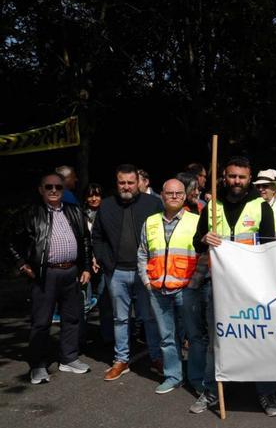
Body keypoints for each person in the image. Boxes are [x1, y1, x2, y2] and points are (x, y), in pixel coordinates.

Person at [190, 156, 275, 415]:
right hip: (219, 285)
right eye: (232, 176)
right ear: (224, 177)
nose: (236, 181)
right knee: (217, 341)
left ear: (250, 179)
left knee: (260, 339)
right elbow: (197, 242)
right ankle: (212, 392)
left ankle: (266, 393)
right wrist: (205, 238)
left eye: (241, 177)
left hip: (251, 288)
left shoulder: (261, 206)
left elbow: (272, 248)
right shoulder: (212, 204)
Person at [5, 172, 93, 384]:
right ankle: (38, 365)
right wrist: (22, 265)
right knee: (41, 322)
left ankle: (69, 358)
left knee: (72, 318)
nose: (54, 191)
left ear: (64, 190)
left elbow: (85, 241)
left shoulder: (74, 211)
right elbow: (9, 241)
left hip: (71, 272)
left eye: (58, 187)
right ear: (41, 190)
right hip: (44, 275)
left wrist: (87, 267)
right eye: (49, 187)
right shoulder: (31, 214)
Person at [91, 164, 163, 381]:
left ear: (138, 183)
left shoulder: (153, 204)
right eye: (122, 182)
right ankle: (121, 360)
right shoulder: (106, 206)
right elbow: (97, 237)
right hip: (117, 272)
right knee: (120, 319)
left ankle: (156, 356)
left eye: (130, 182)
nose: (126, 186)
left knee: (149, 317)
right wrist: (104, 260)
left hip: (145, 272)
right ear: (117, 183)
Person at [137, 179, 202, 395]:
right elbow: (143, 253)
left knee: (193, 337)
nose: (174, 196)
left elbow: (203, 256)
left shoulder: (196, 221)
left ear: (185, 196)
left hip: (186, 290)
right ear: (162, 196)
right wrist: (147, 281)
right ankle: (173, 376)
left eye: (178, 193)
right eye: (169, 193)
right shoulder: (150, 221)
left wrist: (194, 283)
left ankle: (196, 378)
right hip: (157, 290)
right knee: (167, 337)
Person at [83, 183, 112, 344]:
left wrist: (99, 257)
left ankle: (107, 337)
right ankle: (81, 337)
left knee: (104, 301)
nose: (94, 198)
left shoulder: (108, 213)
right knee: (83, 302)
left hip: (103, 262)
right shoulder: (80, 214)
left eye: (97, 195)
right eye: (90, 195)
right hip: (85, 263)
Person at [254, 168, 276, 239]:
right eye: (258, 186)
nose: (260, 189)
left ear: (274, 189)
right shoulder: (251, 205)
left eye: (265, 186)